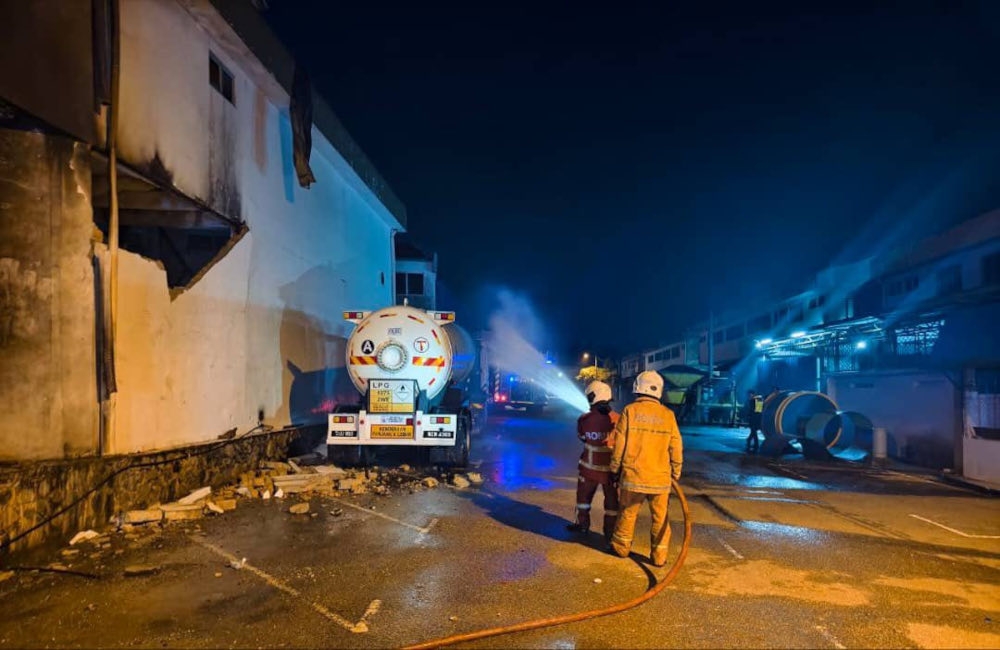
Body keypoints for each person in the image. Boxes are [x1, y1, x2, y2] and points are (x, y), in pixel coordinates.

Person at [609, 371, 683, 567]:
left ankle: (621, 548)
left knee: (627, 514)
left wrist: (614, 469)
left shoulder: (629, 411)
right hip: (660, 479)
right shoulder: (668, 415)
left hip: (633, 476)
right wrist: (675, 472)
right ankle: (659, 557)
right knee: (661, 518)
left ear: (637, 388)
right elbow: (676, 447)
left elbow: (619, 445)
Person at [567, 380, 620, 541]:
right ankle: (609, 534)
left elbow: (582, 437)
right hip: (611, 472)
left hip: (588, 471)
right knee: (612, 505)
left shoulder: (585, 419)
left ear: (592, 397)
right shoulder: (618, 419)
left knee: (583, 499)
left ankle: (582, 525)